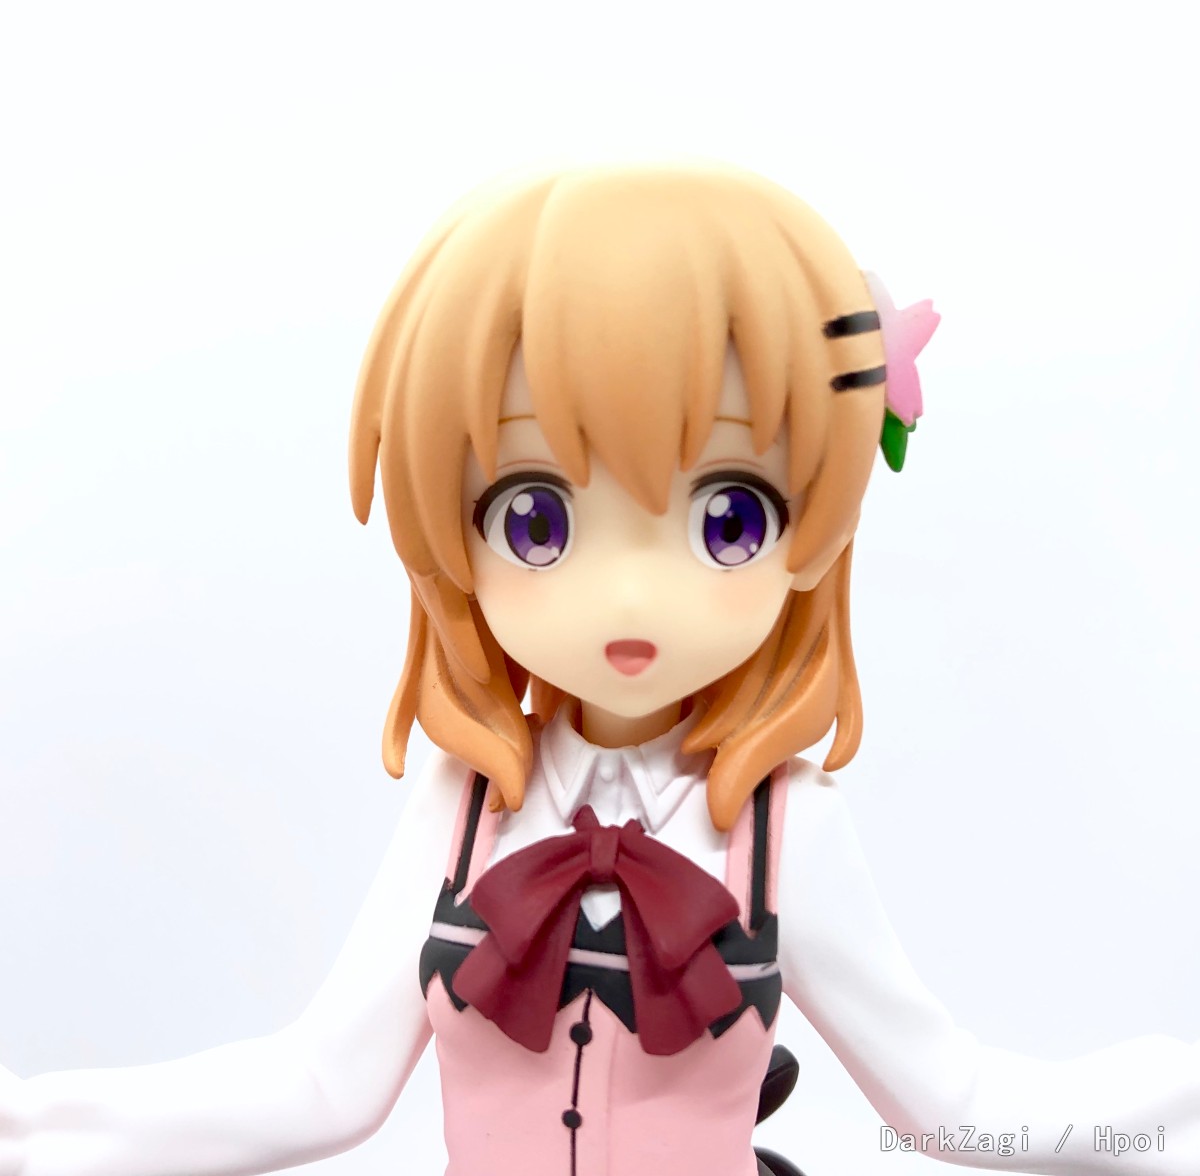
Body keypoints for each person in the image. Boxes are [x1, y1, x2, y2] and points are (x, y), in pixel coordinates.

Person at [3, 164, 1198, 1176]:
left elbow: (952, 1101)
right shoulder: (464, 811)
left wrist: (1170, 1110)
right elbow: (324, 1081)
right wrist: (45, 1125)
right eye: (537, 519)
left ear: (811, 530)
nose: (630, 598)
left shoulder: (785, 831)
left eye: (729, 518)